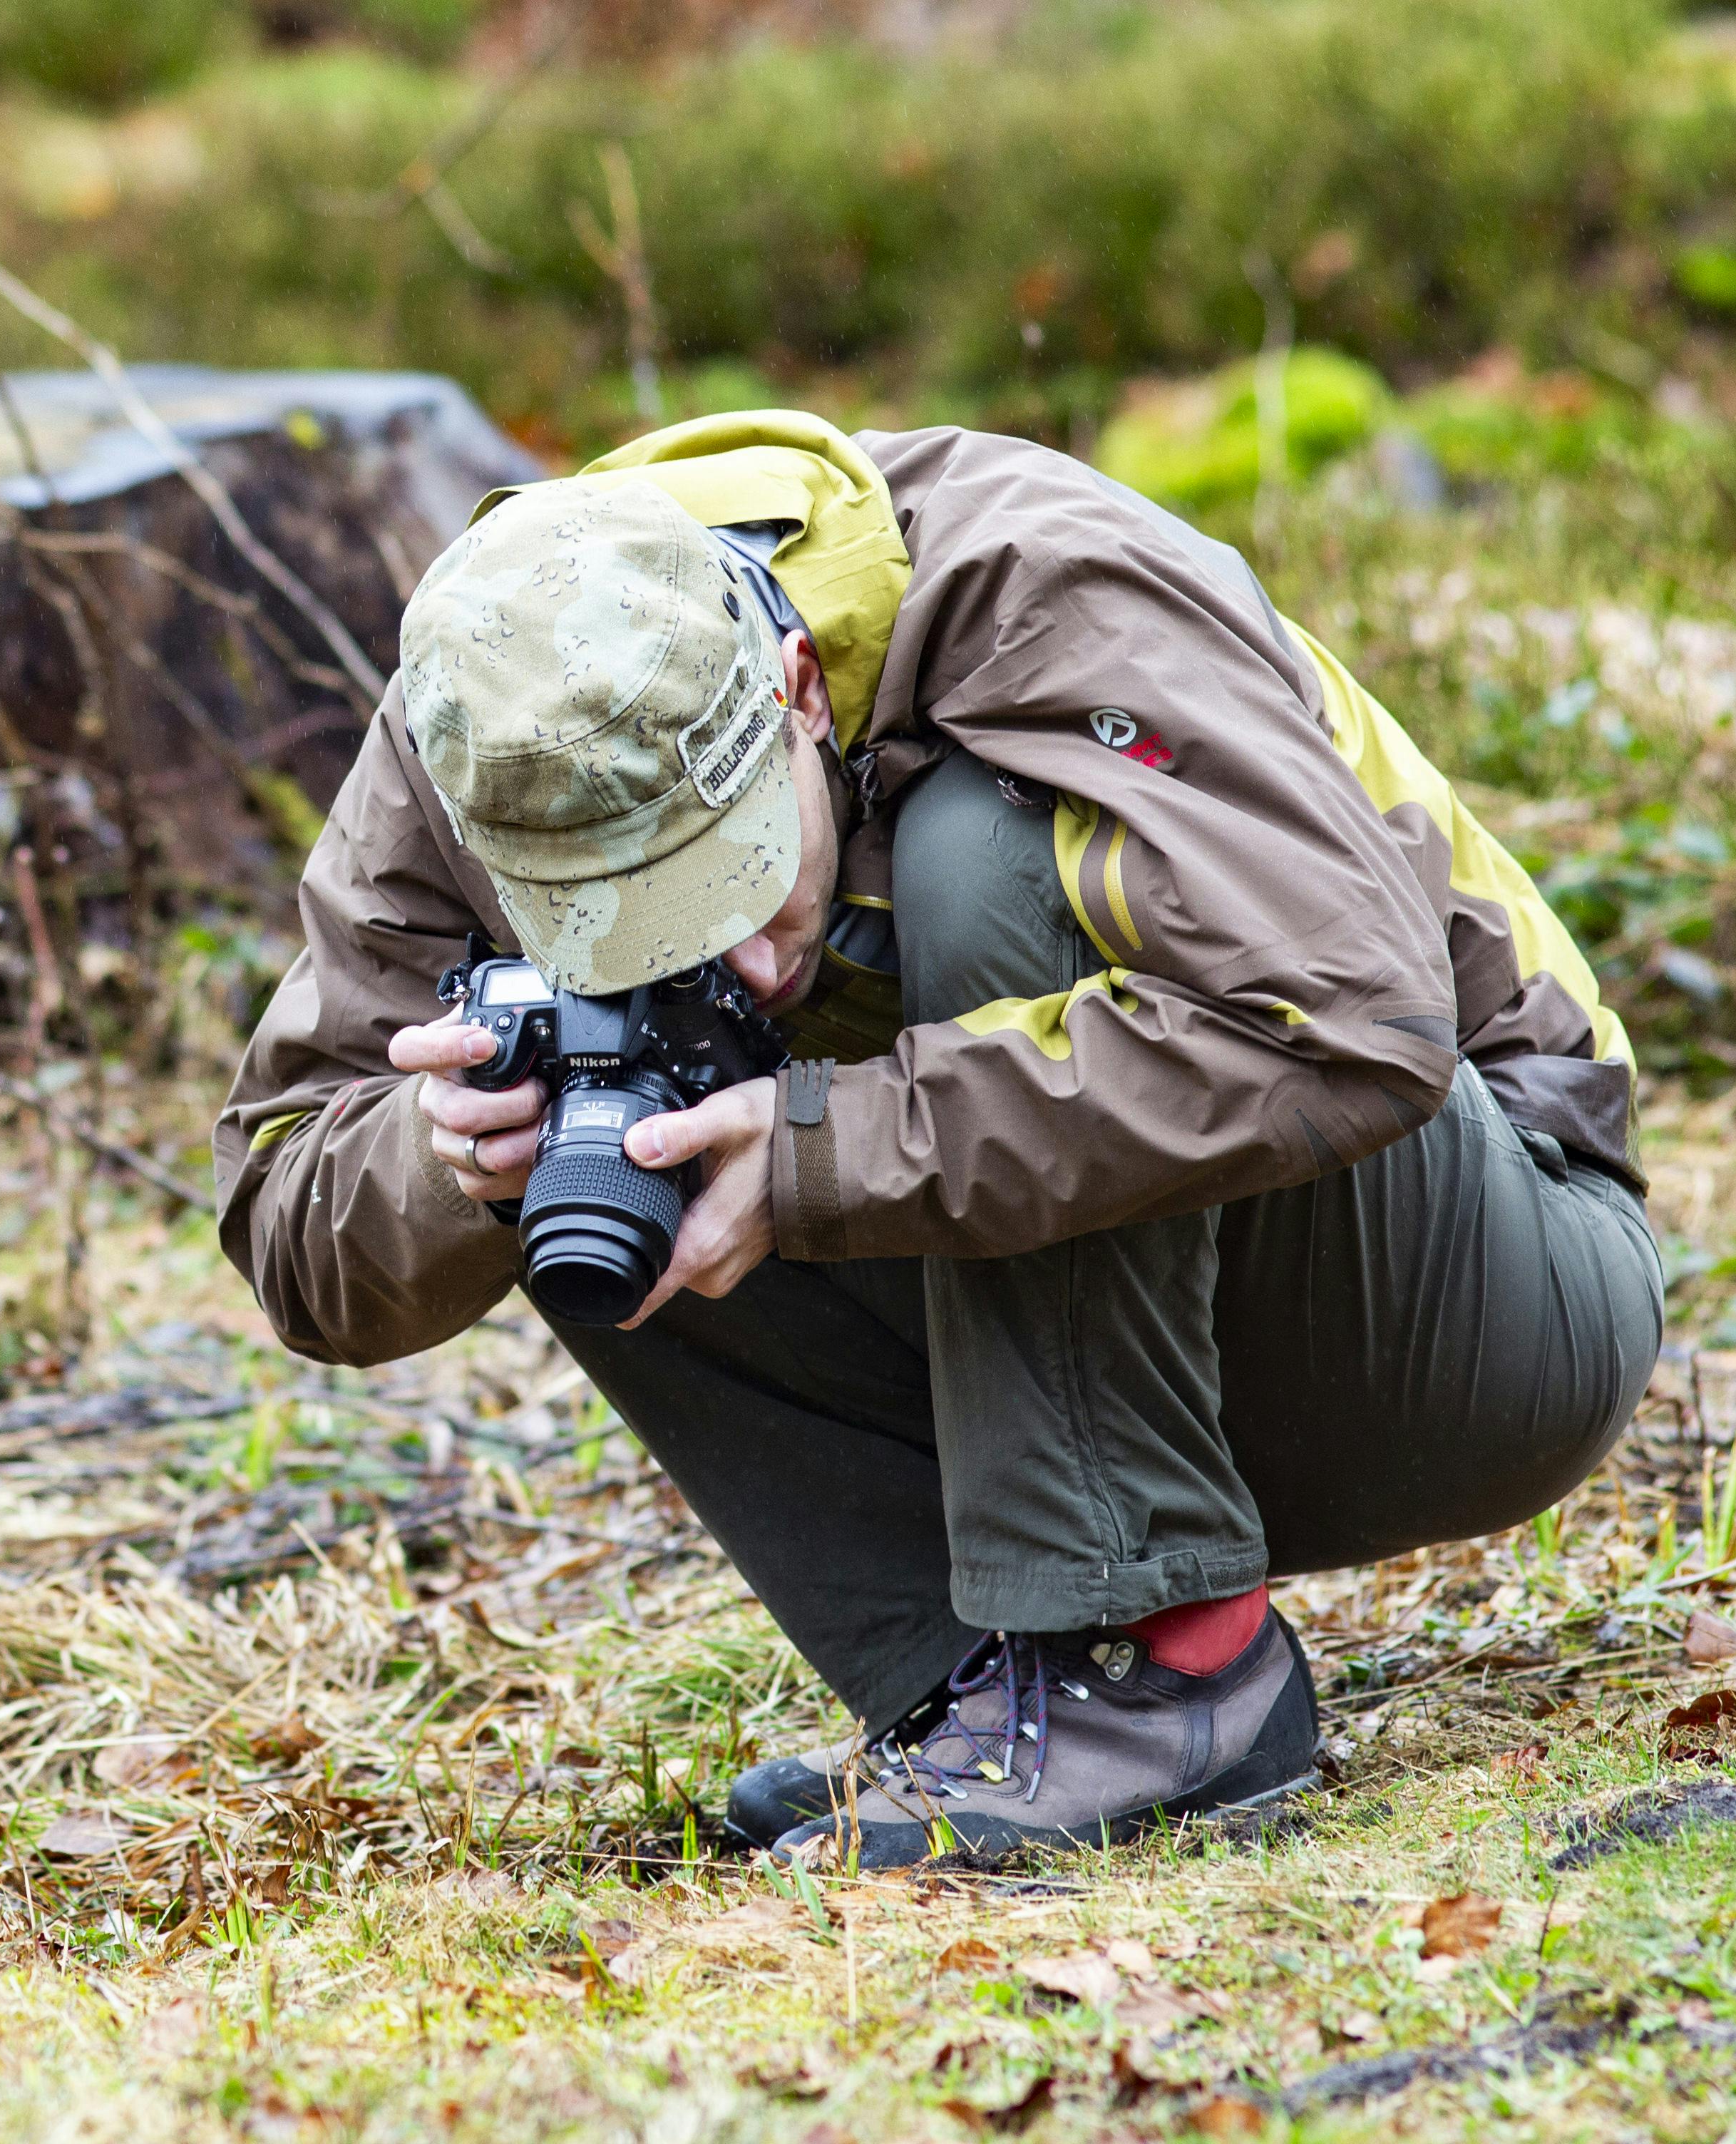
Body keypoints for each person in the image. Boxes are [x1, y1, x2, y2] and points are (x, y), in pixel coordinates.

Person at [212, 411, 1662, 1867]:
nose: (750, 965)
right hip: (1154, 1368)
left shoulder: (1045, 580)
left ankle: (1169, 1676)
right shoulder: (479, 725)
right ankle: (993, 1697)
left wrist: (816, 1157)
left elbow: (1351, 1029)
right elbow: (290, 1216)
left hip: (1483, 1303)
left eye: (742, 879)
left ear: (793, 687)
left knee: (986, 852)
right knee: (589, 1084)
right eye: (653, 919)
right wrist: (447, 1152)